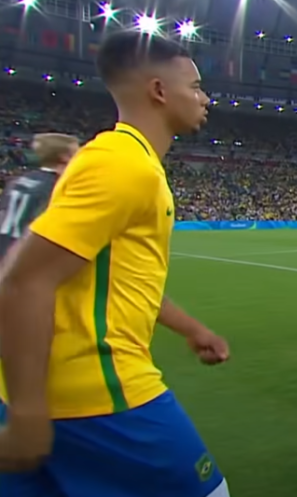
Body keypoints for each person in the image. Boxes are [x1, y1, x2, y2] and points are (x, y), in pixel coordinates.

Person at [0, 30, 231, 497]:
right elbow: (23, 282)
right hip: (100, 395)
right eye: (196, 86)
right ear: (159, 91)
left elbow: (111, 278)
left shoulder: (123, 160)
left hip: (59, 397)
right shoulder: (122, 165)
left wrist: (190, 328)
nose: (205, 98)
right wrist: (28, 411)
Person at [0, 133, 79, 259]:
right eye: (77, 152)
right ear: (65, 157)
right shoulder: (57, 186)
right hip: (25, 256)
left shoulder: (19, 180)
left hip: (4, 246)